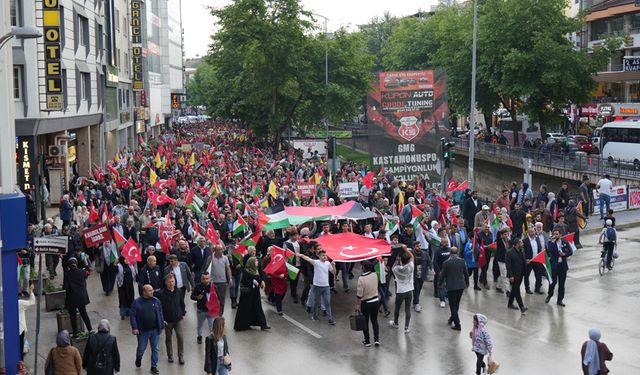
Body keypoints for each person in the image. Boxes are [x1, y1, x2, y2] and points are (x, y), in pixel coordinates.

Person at [130, 284, 165, 375]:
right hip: (142, 331)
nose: (152, 292)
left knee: (155, 348)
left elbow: (160, 313)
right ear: (144, 292)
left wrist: (161, 324)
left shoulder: (156, 301)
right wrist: (134, 327)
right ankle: (139, 358)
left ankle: (154, 366)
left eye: (152, 290)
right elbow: (132, 316)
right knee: (141, 348)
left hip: (154, 330)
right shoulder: (136, 302)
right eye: (150, 290)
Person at [154, 273, 186, 365]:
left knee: (180, 337)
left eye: (172, 281)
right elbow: (158, 307)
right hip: (167, 321)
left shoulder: (179, 291)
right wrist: (161, 319)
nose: (171, 283)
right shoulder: (161, 294)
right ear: (165, 283)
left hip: (178, 319)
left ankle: (181, 356)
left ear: (175, 282)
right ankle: (170, 355)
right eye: (169, 282)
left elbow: (182, 303)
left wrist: (183, 313)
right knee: (168, 338)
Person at [298, 249, 337, 325]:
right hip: (317, 286)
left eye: (325, 255)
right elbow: (308, 259)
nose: (325, 256)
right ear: (319, 256)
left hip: (326, 286)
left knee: (327, 303)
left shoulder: (328, 263)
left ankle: (330, 319)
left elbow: (333, 272)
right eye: (323, 255)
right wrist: (301, 255)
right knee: (316, 302)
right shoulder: (316, 262)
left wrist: (333, 265)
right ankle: (315, 316)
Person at [234, 256, 270, 331]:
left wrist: (261, 281)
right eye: (256, 261)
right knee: (246, 309)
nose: (257, 263)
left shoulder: (255, 270)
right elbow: (244, 281)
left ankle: (263, 325)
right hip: (247, 294)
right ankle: (243, 325)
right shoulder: (246, 271)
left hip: (255, 293)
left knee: (258, 308)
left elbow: (257, 277)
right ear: (252, 263)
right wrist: (252, 282)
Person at [439, 247, 469, 331]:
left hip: (451, 286)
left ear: (450, 253)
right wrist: (467, 283)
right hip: (460, 286)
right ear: (457, 252)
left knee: (452, 305)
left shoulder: (446, 263)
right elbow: (466, 273)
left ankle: (457, 324)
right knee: (457, 304)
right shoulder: (462, 261)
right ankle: (452, 318)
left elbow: (442, 275)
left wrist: (440, 284)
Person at [63, 257, 93, 336]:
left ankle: (75, 333)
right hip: (81, 297)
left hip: (71, 298)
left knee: (73, 316)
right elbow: (86, 275)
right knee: (84, 313)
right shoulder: (81, 272)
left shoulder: (67, 274)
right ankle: (90, 329)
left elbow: (66, 286)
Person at [388, 245, 414, 333]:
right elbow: (412, 257)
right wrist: (406, 249)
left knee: (397, 308)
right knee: (407, 309)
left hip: (400, 291)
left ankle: (396, 323)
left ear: (401, 261)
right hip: (409, 290)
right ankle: (406, 327)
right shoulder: (411, 267)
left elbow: (393, 267)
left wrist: (397, 258)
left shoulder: (397, 269)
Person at [203, 245, 233, 317]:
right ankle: (213, 313)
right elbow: (206, 268)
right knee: (213, 299)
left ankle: (220, 315)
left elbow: (228, 269)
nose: (222, 251)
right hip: (213, 282)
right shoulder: (210, 258)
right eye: (219, 250)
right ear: (215, 250)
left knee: (222, 300)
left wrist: (230, 279)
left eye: (222, 249)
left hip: (222, 282)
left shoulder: (225, 258)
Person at [546, 229, 573, 307]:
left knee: (562, 284)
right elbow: (550, 250)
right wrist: (553, 242)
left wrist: (564, 254)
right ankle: (549, 295)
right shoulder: (551, 243)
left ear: (560, 235)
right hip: (554, 266)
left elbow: (570, 252)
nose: (555, 235)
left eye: (557, 234)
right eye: (554, 234)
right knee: (553, 282)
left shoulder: (565, 242)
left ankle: (560, 300)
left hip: (562, 266)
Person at [355, 260, 380, 347]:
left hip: (366, 303)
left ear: (364, 268)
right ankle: (376, 340)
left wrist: (358, 305)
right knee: (374, 320)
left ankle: (367, 341)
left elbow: (359, 294)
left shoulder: (361, 279)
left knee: (365, 322)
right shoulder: (375, 275)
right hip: (376, 301)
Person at [191, 272, 215, 344]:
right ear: (201, 279)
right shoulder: (197, 287)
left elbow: (219, 298)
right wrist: (197, 297)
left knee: (212, 326)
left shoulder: (213, 287)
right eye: (203, 279)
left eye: (207, 278)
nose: (205, 280)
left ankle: (212, 338)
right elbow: (192, 296)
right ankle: (199, 337)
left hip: (211, 311)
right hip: (201, 310)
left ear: (209, 278)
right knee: (200, 325)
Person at [505, 238, 528, 314]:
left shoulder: (522, 251)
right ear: (516, 244)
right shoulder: (509, 252)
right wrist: (510, 276)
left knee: (514, 290)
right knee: (517, 291)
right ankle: (522, 307)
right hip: (513, 276)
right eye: (521, 243)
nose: (522, 244)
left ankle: (510, 304)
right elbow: (508, 265)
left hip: (521, 274)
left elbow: (523, 261)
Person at [523, 226, 544, 295]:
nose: (533, 233)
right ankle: (527, 288)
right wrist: (526, 259)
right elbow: (523, 251)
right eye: (531, 232)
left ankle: (537, 288)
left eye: (533, 231)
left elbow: (540, 248)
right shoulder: (525, 240)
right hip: (529, 261)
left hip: (537, 260)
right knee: (526, 275)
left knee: (539, 275)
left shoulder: (537, 239)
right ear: (528, 232)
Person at [18, 285, 36, 361]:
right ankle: (20, 363)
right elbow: (32, 302)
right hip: (20, 329)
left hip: (9, 331)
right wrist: (31, 290)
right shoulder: (19, 303)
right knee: (20, 346)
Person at [411, 241, 429, 312]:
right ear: (414, 247)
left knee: (419, 289)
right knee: (416, 288)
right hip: (414, 274)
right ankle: (417, 303)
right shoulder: (411, 254)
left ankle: (415, 302)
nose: (419, 247)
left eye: (420, 246)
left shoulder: (425, 254)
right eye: (417, 246)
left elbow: (429, 262)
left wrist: (432, 269)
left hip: (422, 274)